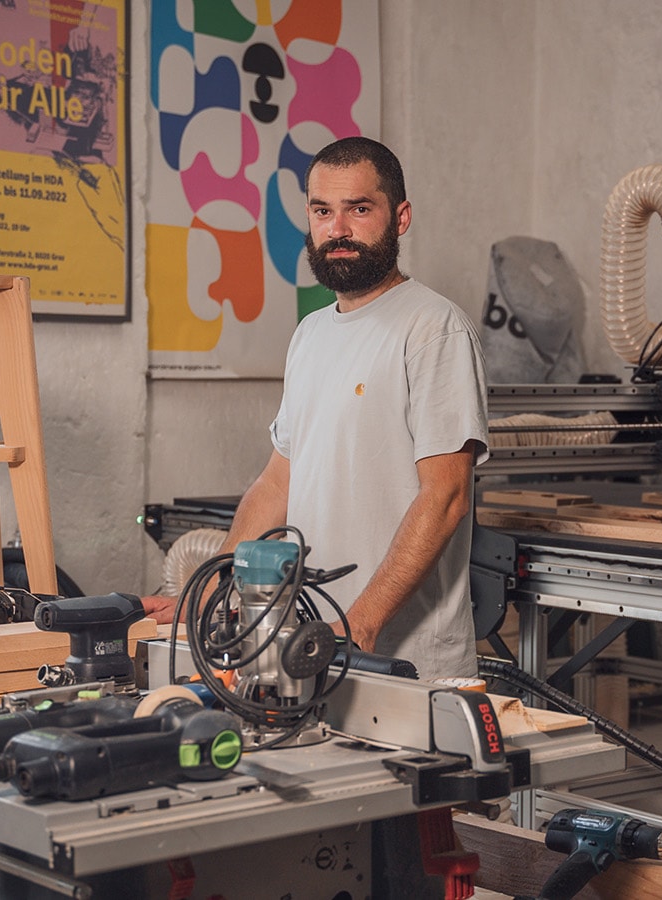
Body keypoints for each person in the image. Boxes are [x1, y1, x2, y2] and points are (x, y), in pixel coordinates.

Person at [144, 137, 489, 681]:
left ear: (400, 218)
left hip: (405, 661)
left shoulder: (433, 328)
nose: (339, 229)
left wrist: (362, 624)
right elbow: (278, 483)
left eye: (360, 209)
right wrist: (207, 586)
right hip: (312, 643)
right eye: (323, 211)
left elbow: (446, 497)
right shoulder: (310, 334)